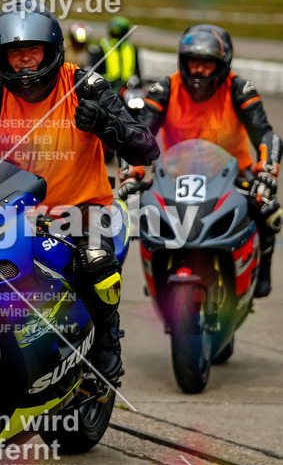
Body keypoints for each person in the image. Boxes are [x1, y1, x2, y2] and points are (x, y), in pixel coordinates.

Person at [0, 3, 159, 382]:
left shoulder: (86, 86)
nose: (26, 60)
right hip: (7, 209)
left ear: (52, 50)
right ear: (1, 57)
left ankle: (106, 339)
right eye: (15, 52)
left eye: (33, 49)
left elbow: (146, 148)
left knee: (96, 263)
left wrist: (106, 123)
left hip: (82, 209)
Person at [119, 24, 281, 297]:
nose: (198, 71)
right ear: (182, 61)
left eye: (207, 64)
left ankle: (261, 274)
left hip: (234, 174)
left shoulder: (240, 88)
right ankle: (156, 274)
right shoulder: (164, 88)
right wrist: (130, 174)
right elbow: (139, 133)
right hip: (174, 177)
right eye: (193, 62)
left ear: (223, 63)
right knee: (137, 212)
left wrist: (266, 171)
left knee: (269, 210)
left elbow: (265, 133)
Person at [89, 16, 141, 92]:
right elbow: (95, 71)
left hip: (128, 89)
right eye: (114, 33)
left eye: (119, 33)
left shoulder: (131, 48)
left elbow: (137, 72)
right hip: (107, 89)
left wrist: (138, 83)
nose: (117, 36)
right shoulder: (102, 48)